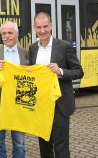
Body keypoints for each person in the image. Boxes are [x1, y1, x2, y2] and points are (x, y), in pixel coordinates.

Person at [29, 12, 84, 158]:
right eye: (39, 27)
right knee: (44, 146)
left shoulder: (65, 46)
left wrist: (60, 71)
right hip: (41, 105)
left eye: (45, 26)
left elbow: (79, 72)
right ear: (34, 28)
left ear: (51, 26)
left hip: (60, 105)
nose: (42, 30)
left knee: (61, 147)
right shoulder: (33, 48)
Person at [0, 21, 29, 158]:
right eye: (4, 33)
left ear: (17, 34)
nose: (7, 36)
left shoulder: (27, 54)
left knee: (19, 144)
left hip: (19, 106)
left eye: (10, 32)